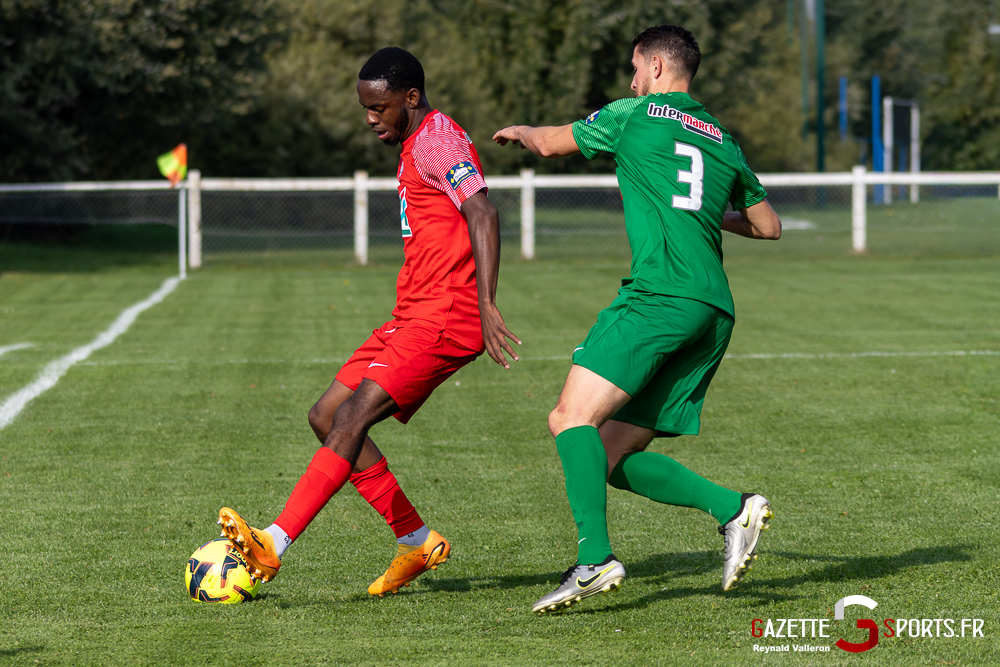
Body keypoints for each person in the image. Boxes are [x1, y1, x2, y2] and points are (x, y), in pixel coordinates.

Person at [493, 24, 782, 613]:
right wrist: (706, 217)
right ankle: (735, 509)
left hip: (660, 297)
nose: (629, 79)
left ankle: (594, 559)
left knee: (568, 418)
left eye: (634, 67)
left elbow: (550, 145)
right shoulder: (724, 139)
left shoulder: (634, 113)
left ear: (654, 67)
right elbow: (769, 224)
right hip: (712, 310)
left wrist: (521, 131)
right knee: (611, 454)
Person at [219, 46, 520, 597]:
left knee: (354, 414)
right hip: (412, 313)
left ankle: (275, 542)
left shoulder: (437, 138)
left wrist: (488, 302)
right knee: (327, 413)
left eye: (379, 107)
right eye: (365, 107)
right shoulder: (412, 141)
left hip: (447, 315)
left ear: (410, 97)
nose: (370, 117)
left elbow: (484, 210)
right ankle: (416, 540)